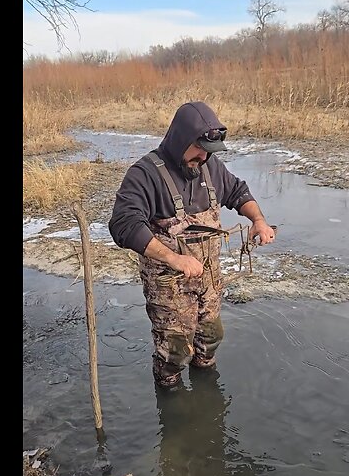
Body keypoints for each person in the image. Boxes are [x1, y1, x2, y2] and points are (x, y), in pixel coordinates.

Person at [108, 101, 276, 388]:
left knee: (211, 337)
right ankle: (171, 403)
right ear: (180, 140)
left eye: (209, 151)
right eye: (199, 148)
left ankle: (206, 393)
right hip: (169, 288)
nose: (204, 157)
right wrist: (174, 259)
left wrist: (258, 220)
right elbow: (123, 224)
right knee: (173, 352)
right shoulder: (145, 175)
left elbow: (238, 192)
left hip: (209, 282)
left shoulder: (210, 168)